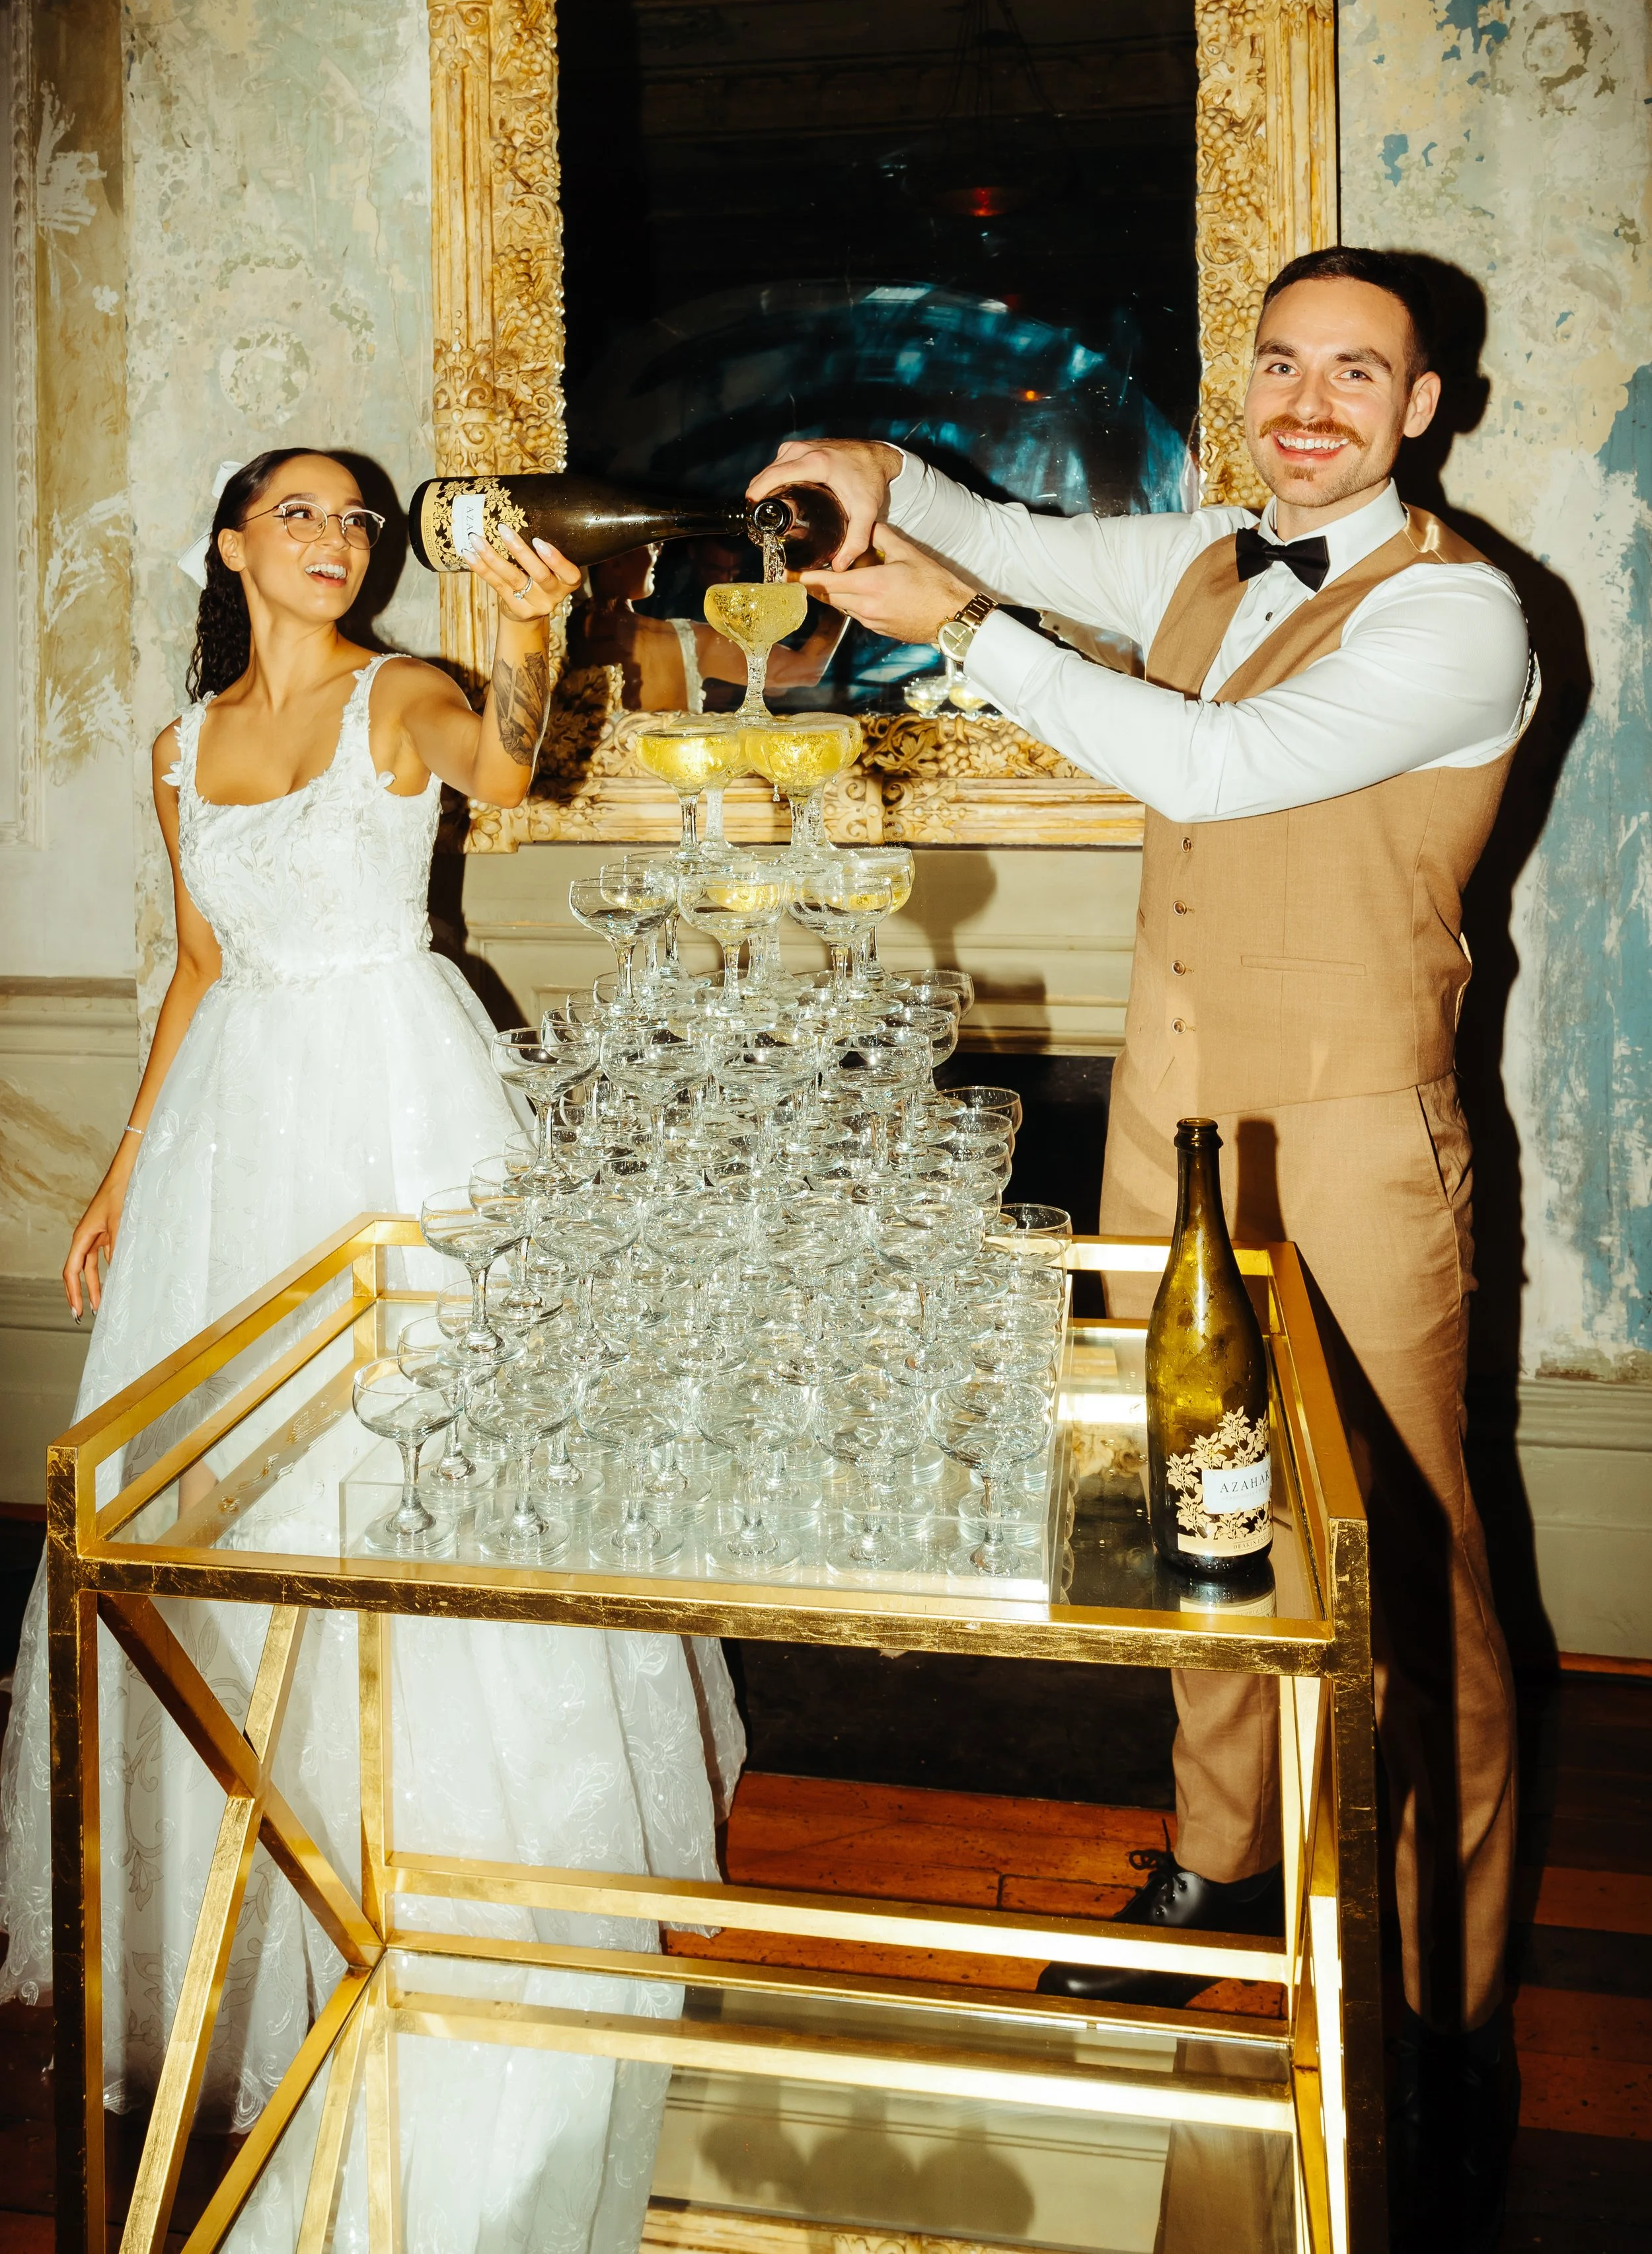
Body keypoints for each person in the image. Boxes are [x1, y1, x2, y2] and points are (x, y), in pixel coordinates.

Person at [750, 247, 1534, 2250]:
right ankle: (1216, 1855)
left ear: (1420, 406)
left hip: (1351, 1143)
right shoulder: (1201, 553)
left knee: (1408, 1571)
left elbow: (1208, 765)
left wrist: (963, 627)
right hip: (1164, 1125)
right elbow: (997, 526)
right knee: (1188, 1510)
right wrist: (865, 467)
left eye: (1353, 372)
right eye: (1279, 364)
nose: (1305, 402)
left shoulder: (1455, 611)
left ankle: (1445, 2004)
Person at [0, 449, 743, 2220]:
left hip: (400, 1110)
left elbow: (514, 764)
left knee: (418, 1470)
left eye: (356, 519)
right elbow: (199, 962)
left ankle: (461, 1868)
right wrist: (121, 1169)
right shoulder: (180, 747)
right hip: (233, 1135)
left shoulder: (400, 693)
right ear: (231, 543)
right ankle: (272, 1887)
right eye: (301, 515)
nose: (337, 539)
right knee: (233, 1501)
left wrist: (536, 635)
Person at [565, 540, 848, 711]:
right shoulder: (688, 640)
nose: (658, 552)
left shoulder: (560, 631)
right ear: (615, 561)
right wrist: (841, 591)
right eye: (651, 544)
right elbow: (806, 669)